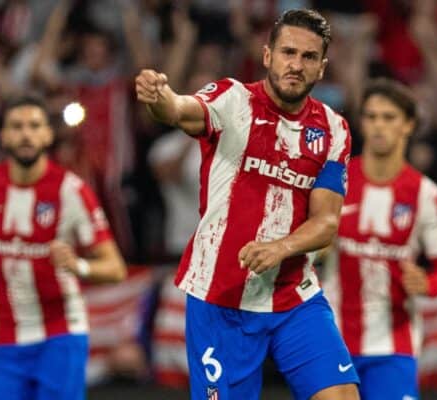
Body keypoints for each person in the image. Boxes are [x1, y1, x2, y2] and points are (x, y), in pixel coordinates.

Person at [136, 9, 358, 400]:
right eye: (288, 52)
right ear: (267, 55)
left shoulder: (332, 128)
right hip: (221, 298)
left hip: (294, 295)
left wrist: (280, 248)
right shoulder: (232, 99)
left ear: (322, 68)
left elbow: (326, 222)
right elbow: (180, 110)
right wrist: (159, 97)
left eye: (308, 57)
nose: (296, 65)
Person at [0, 95, 127, 400]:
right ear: (2, 135)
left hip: (60, 336)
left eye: (34, 126)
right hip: (3, 337)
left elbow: (116, 269)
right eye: (17, 126)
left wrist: (78, 266)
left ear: (48, 134)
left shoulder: (71, 191)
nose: (26, 134)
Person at [321, 78, 437, 400]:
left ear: (408, 125)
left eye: (388, 117)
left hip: (393, 346)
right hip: (329, 341)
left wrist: (428, 284)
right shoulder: (335, 182)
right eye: (371, 117)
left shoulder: (426, 195)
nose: (378, 126)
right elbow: (305, 249)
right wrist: (316, 251)